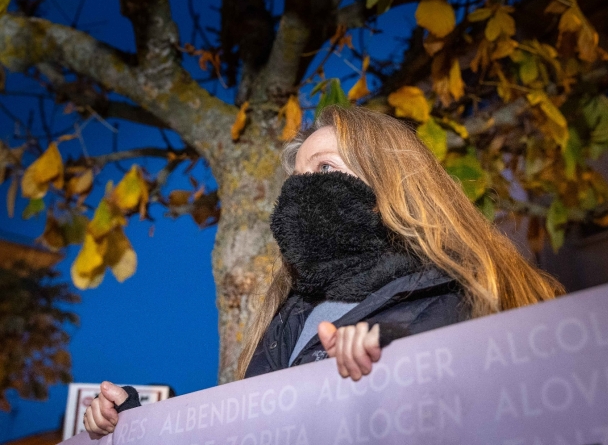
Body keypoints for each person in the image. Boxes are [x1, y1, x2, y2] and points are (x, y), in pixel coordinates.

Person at [83, 105, 564, 436]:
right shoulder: (283, 322)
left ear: (389, 185)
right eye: (298, 178)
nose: (301, 190)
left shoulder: (466, 297)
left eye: (327, 169)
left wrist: (393, 358)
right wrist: (135, 425)